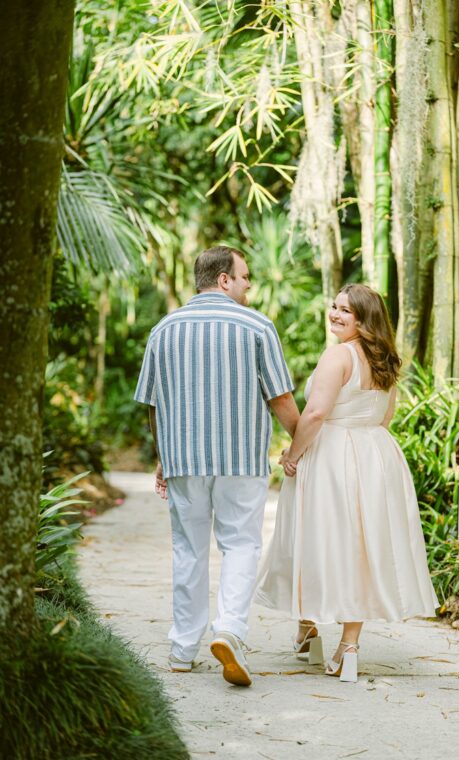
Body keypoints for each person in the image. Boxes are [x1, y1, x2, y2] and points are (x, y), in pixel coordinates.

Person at [255, 283, 438, 682]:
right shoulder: (387, 360)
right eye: (334, 307)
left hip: (331, 453)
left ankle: (307, 631)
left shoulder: (338, 355)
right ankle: (348, 646)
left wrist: (293, 455)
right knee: (359, 545)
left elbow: (317, 413)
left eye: (345, 311)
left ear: (363, 319)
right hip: (376, 455)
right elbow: (384, 418)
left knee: (311, 538)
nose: (335, 315)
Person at [134, 245, 299, 687]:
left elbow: (153, 403)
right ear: (224, 279)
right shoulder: (257, 326)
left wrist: (163, 455)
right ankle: (229, 631)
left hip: (184, 458)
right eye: (245, 277)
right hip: (241, 459)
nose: (249, 285)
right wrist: (303, 443)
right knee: (241, 544)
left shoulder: (163, 329)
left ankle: (182, 650)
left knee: (188, 549)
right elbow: (280, 398)